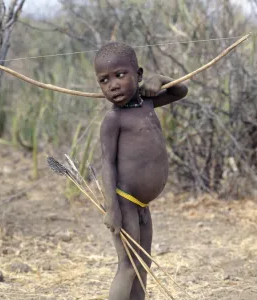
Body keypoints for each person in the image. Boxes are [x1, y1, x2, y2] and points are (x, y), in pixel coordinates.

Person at [95, 42, 188, 300]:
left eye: (120, 75)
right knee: (128, 266)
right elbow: (107, 164)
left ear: (139, 74)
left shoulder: (148, 103)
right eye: (104, 80)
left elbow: (181, 90)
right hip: (124, 203)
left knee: (142, 263)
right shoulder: (114, 120)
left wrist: (161, 80)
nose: (112, 85)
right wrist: (111, 208)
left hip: (142, 205)